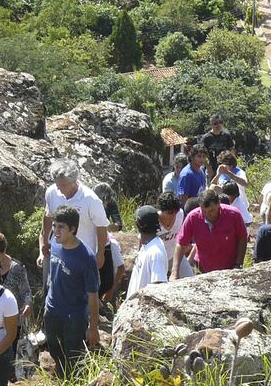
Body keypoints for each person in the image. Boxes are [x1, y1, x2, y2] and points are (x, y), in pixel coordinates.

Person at [43, 206, 100, 378]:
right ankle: (61, 376)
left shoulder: (86, 258)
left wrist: (93, 328)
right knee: (53, 348)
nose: (55, 231)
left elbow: (93, 295)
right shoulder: (54, 242)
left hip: (74, 317)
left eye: (60, 227)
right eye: (54, 226)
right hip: (52, 310)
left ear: (73, 229)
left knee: (74, 357)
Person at [39, 159, 110, 296]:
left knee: (80, 292)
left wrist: (100, 253)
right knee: (53, 288)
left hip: (82, 253)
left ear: (74, 181)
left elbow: (101, 226)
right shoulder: (52, 192)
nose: (59, 189)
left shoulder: (90, 200)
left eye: (63, 186)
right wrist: (45, 240)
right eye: (57, 184)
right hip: (57, 251)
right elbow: (48, 214)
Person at [170, 190, 247, 279]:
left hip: (229, 269)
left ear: (218, 203)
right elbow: (181, 244)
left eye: (211, 210)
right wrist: (174, 272)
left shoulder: (234, 214)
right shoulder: (193, 217)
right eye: (204, 211)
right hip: (202, 270)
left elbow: (242, 238)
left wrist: (238, 264)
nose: (208, 214)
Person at [126, 206, 168, 299]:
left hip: (142, 310)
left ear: (138, 225)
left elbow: (159, 287)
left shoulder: (155, 253)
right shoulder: (148, 245)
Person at [156, 192, 193, 279]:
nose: (172, 215)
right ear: (161, 210)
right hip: (158, 259)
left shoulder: (180, 214)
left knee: (189, 278)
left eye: (174, 212)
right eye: (169, 213)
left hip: (175, 255)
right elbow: (143, 241)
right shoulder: (153, 219)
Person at [201, 114, 235, 178]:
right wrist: (208, 167)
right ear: (211, 124)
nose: (218, 125)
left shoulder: (227, 136)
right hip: (212, 169)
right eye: (215, 123)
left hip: (225, 169)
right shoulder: (206, 138)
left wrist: (232, 166)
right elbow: (202, 154)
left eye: (220, 122)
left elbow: (232, 150)